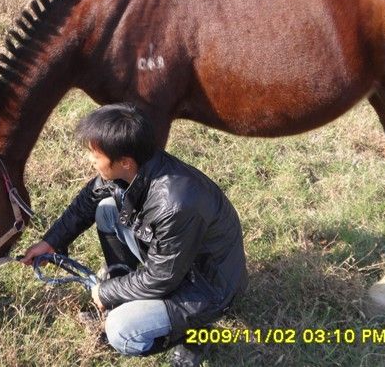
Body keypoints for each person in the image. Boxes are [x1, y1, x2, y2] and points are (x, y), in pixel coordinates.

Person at [21, 103, 248, 366]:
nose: (89, 160)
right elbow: (87, 202)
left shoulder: (176, 204)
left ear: (125, 162)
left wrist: (106, 292)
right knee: (106, 209)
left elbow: (160, 278)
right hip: (176, 265)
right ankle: (121, 301)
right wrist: (51, 243)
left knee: (121, 331)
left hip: (206, 288)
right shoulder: (135, 167)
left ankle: (195, 333)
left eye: (95, 154)